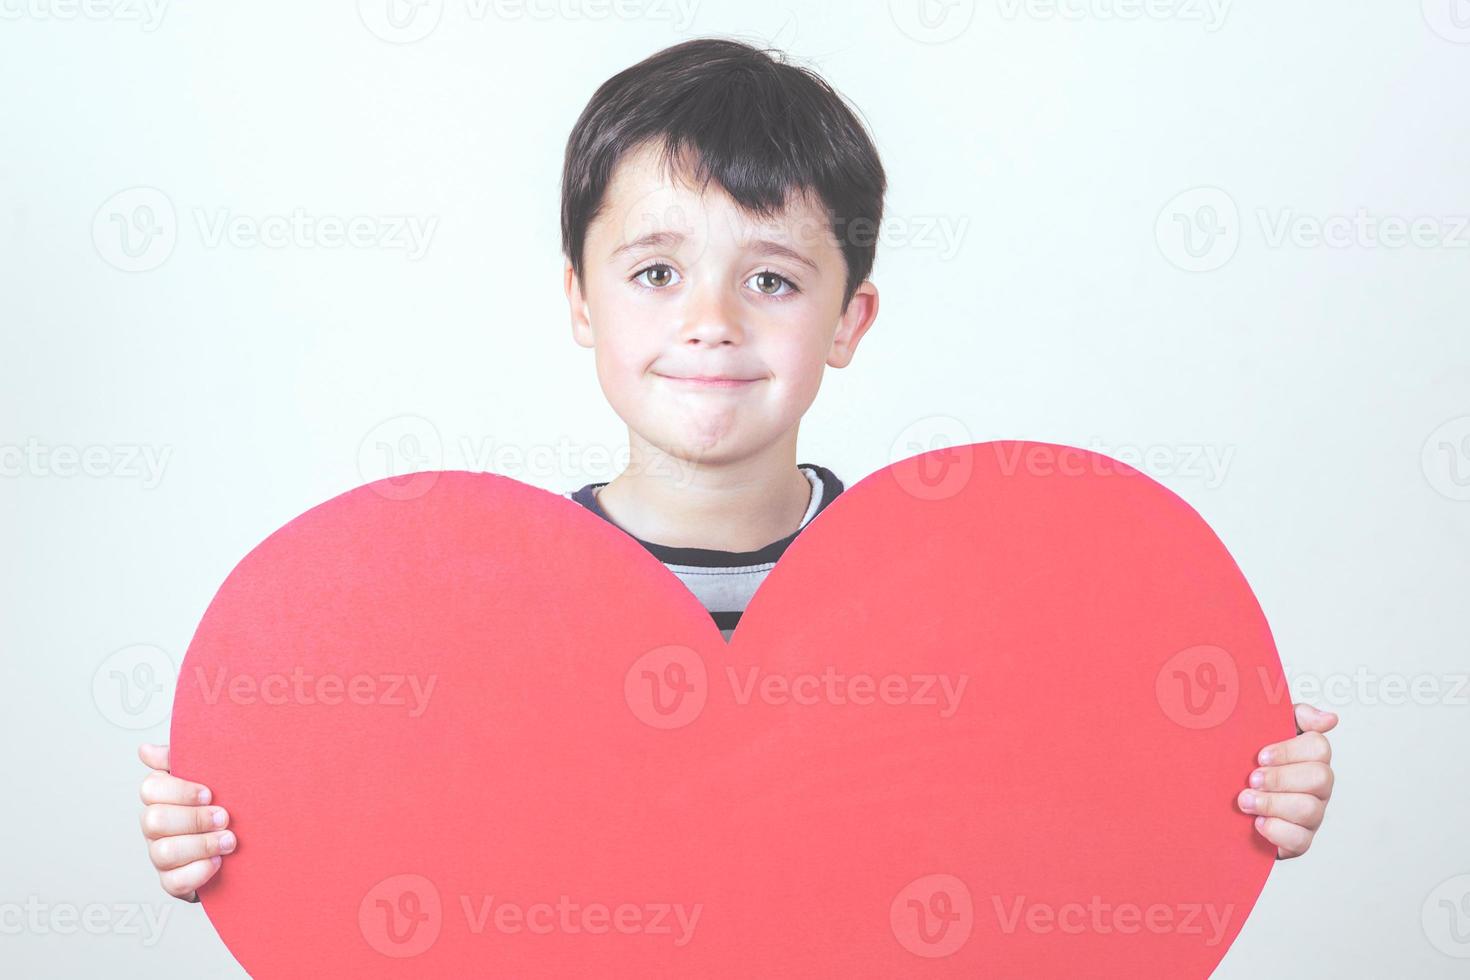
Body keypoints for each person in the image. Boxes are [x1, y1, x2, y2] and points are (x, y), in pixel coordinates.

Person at [137, 35, 1337, 906]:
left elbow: (1064, 801)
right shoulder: (481, 618)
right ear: (579, 301)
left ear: (850, 320)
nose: (711, 319)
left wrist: (1234, 789)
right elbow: (401, 824)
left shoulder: (956, 608)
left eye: (771, 278)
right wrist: (238, 833)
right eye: (656, 272)